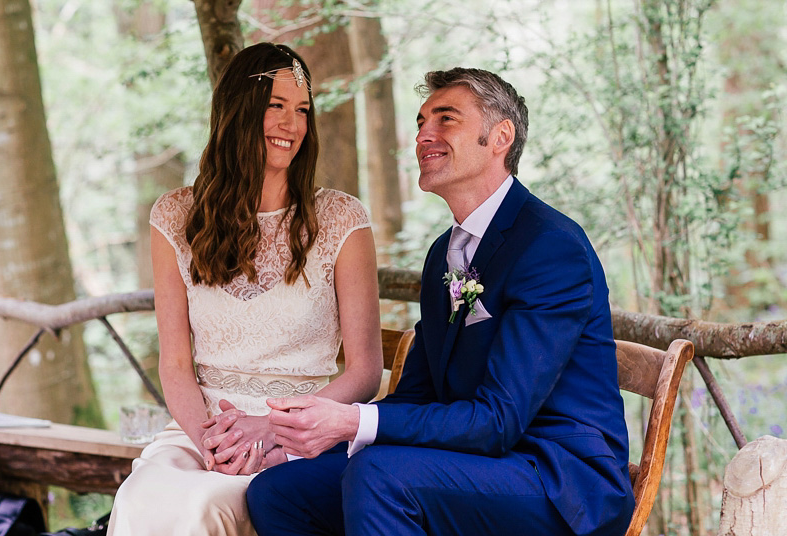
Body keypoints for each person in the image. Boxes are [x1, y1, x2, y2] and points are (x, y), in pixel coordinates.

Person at [246, 68, 635, 536]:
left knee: (382, 477)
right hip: (471, 463)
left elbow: (498, 420)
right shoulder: (443, 255)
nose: (422, 135)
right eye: (420, 122)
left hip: (555, 480)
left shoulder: (550, 247)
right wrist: (300, 442)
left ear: (500, 137)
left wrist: (351, 420)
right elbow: (417, 395)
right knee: (279, 490)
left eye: (445, 119)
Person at [106, 43, 383, 536]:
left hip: (299, 435)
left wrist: (277, 431)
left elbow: (364, 371)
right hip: (201, 430)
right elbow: (174, 364)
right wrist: (212, 444)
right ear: (238, 111)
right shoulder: (174, 216)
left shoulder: (342, 220)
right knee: (140, 495)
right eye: (275, 106)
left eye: (302, 110)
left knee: (202, 507)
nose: (291, 124)